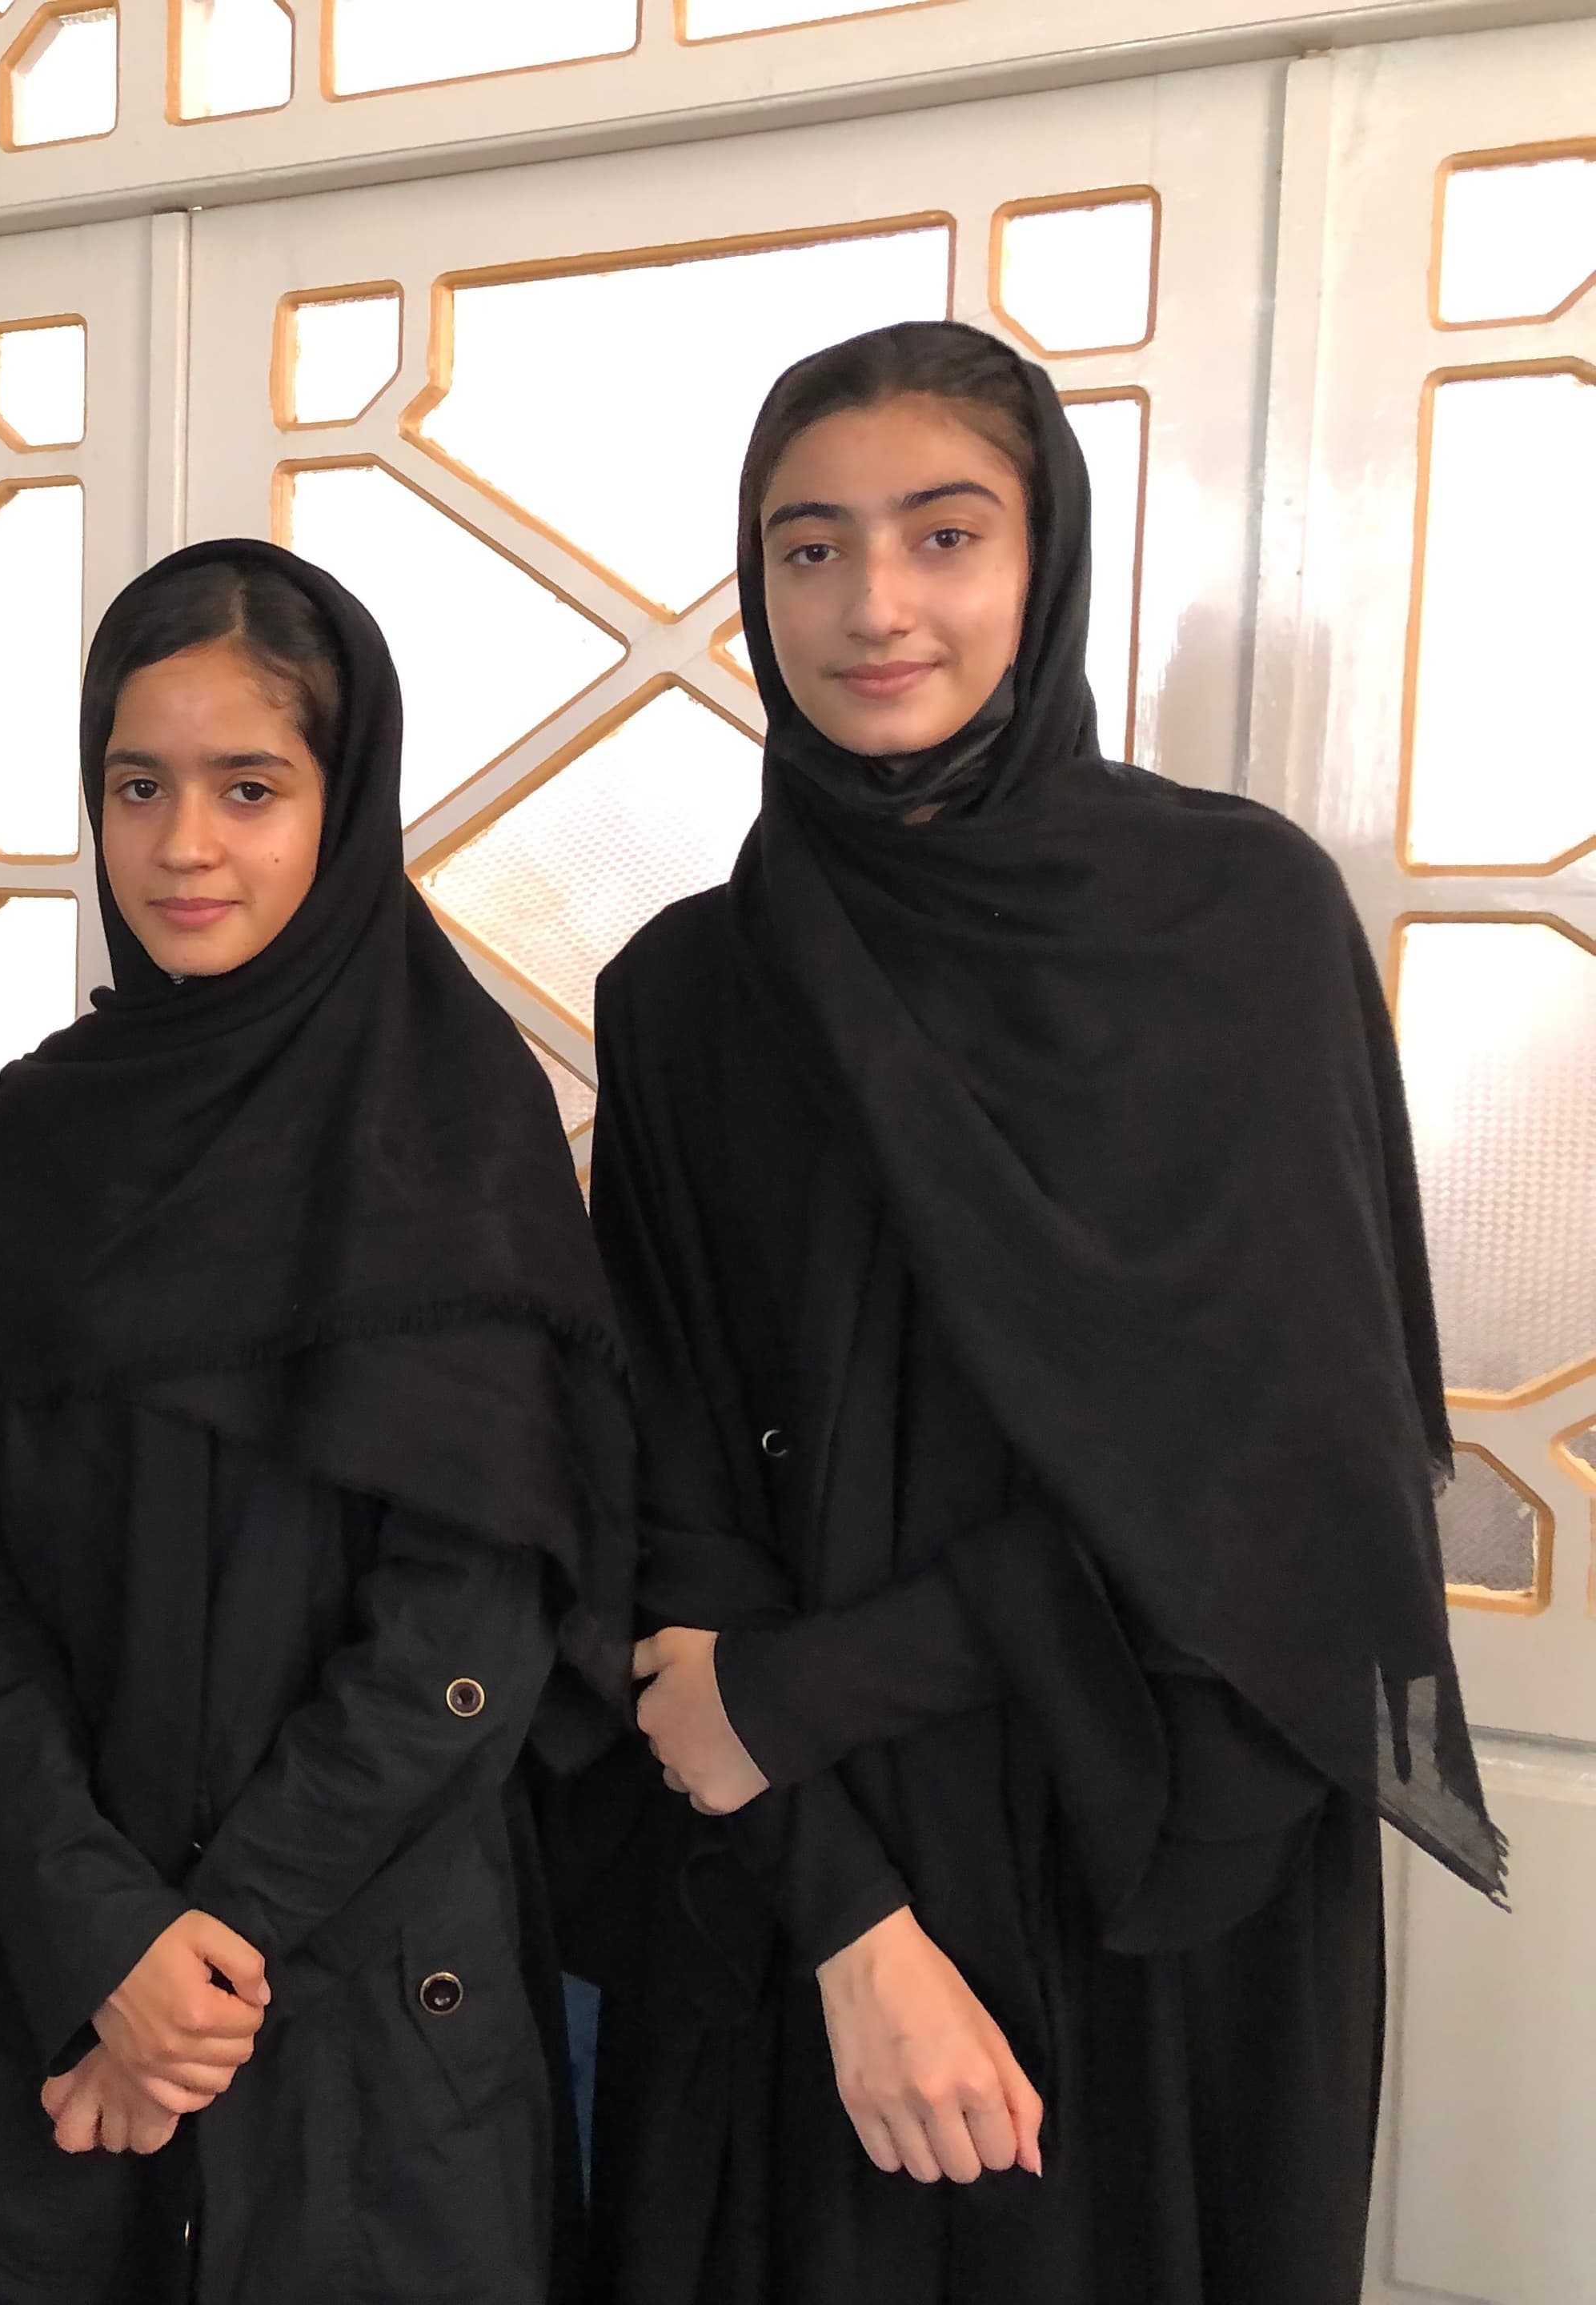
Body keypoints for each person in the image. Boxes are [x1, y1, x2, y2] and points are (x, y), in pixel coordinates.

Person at [583, 319, 1506, 2304]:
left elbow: (1284, 1491)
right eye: (808, 548)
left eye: (944, 534)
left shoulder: (1232, 926)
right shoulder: (692, 994)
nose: (874, 605)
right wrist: (842, 1912)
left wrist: (800, 1695)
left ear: (1047, 558)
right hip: (803, 1873)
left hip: (1162, 1831)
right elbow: (665, 1464)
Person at [0, 540, 636, 2305]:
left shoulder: (453, 1140)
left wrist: (202, 1959)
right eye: (137, 787)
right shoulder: (28, 1148)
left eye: (250, 788)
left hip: (372, 2015)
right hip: (61, 1984)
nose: (182, 847)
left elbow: (474, 1622)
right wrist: (105, 1936)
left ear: (347, 799)